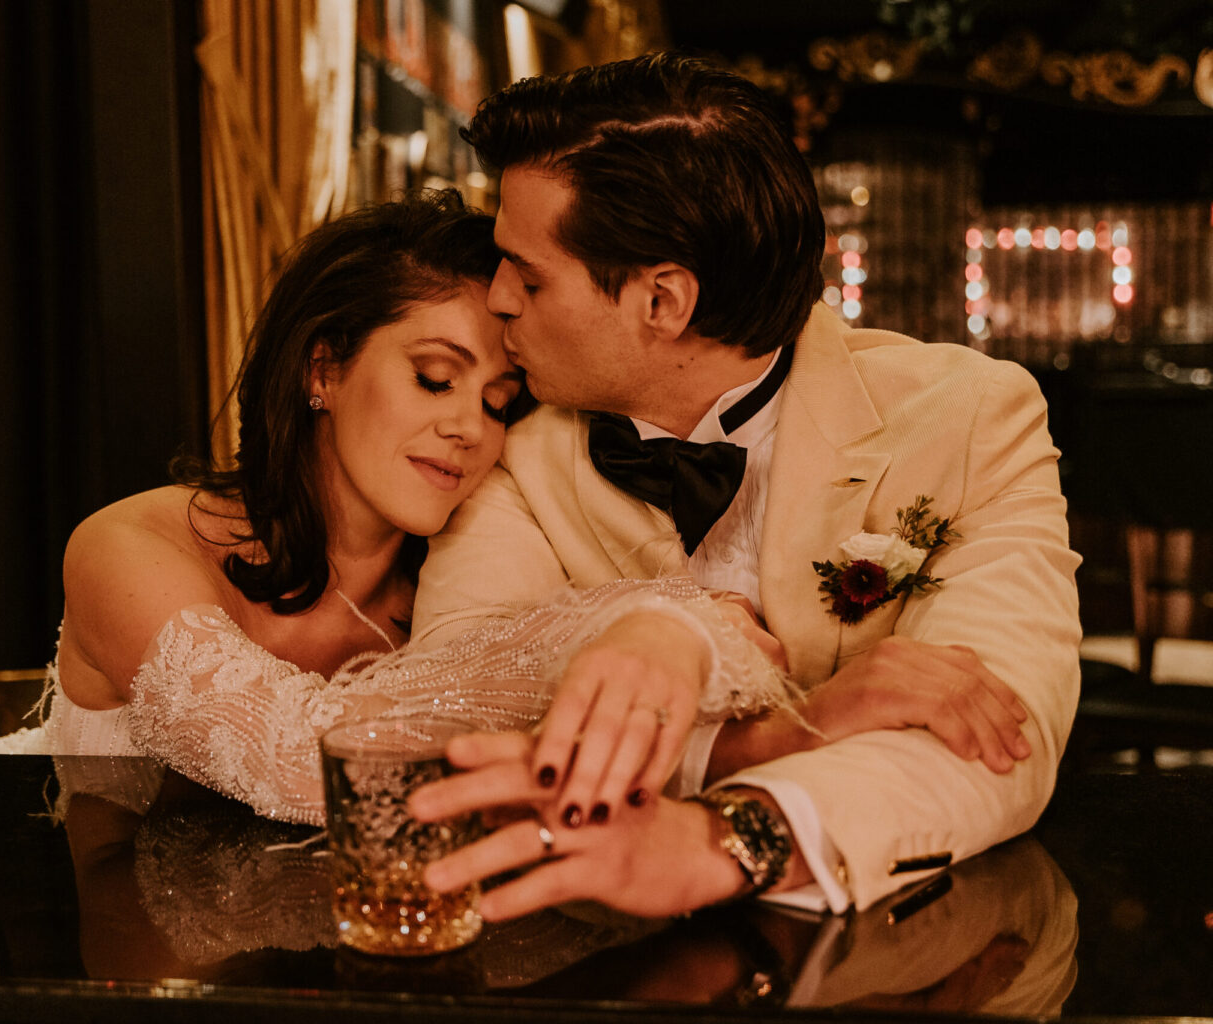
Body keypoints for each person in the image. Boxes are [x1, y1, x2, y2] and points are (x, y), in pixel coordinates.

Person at [406, 53, 1082, 914]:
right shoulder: (510, 449)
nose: (497, 298)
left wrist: (721, 840)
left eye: (528, 275)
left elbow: (999, 738)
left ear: (663, 302)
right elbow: (447, 722)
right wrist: (782, 730)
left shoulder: (971, 417)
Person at [29, 188, 795, 824]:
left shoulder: (467, 584)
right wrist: (658, 621)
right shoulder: (130, 546)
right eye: (435, 378)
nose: (469, 428)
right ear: (322, 370)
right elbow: (303, 764)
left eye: (498, 402)